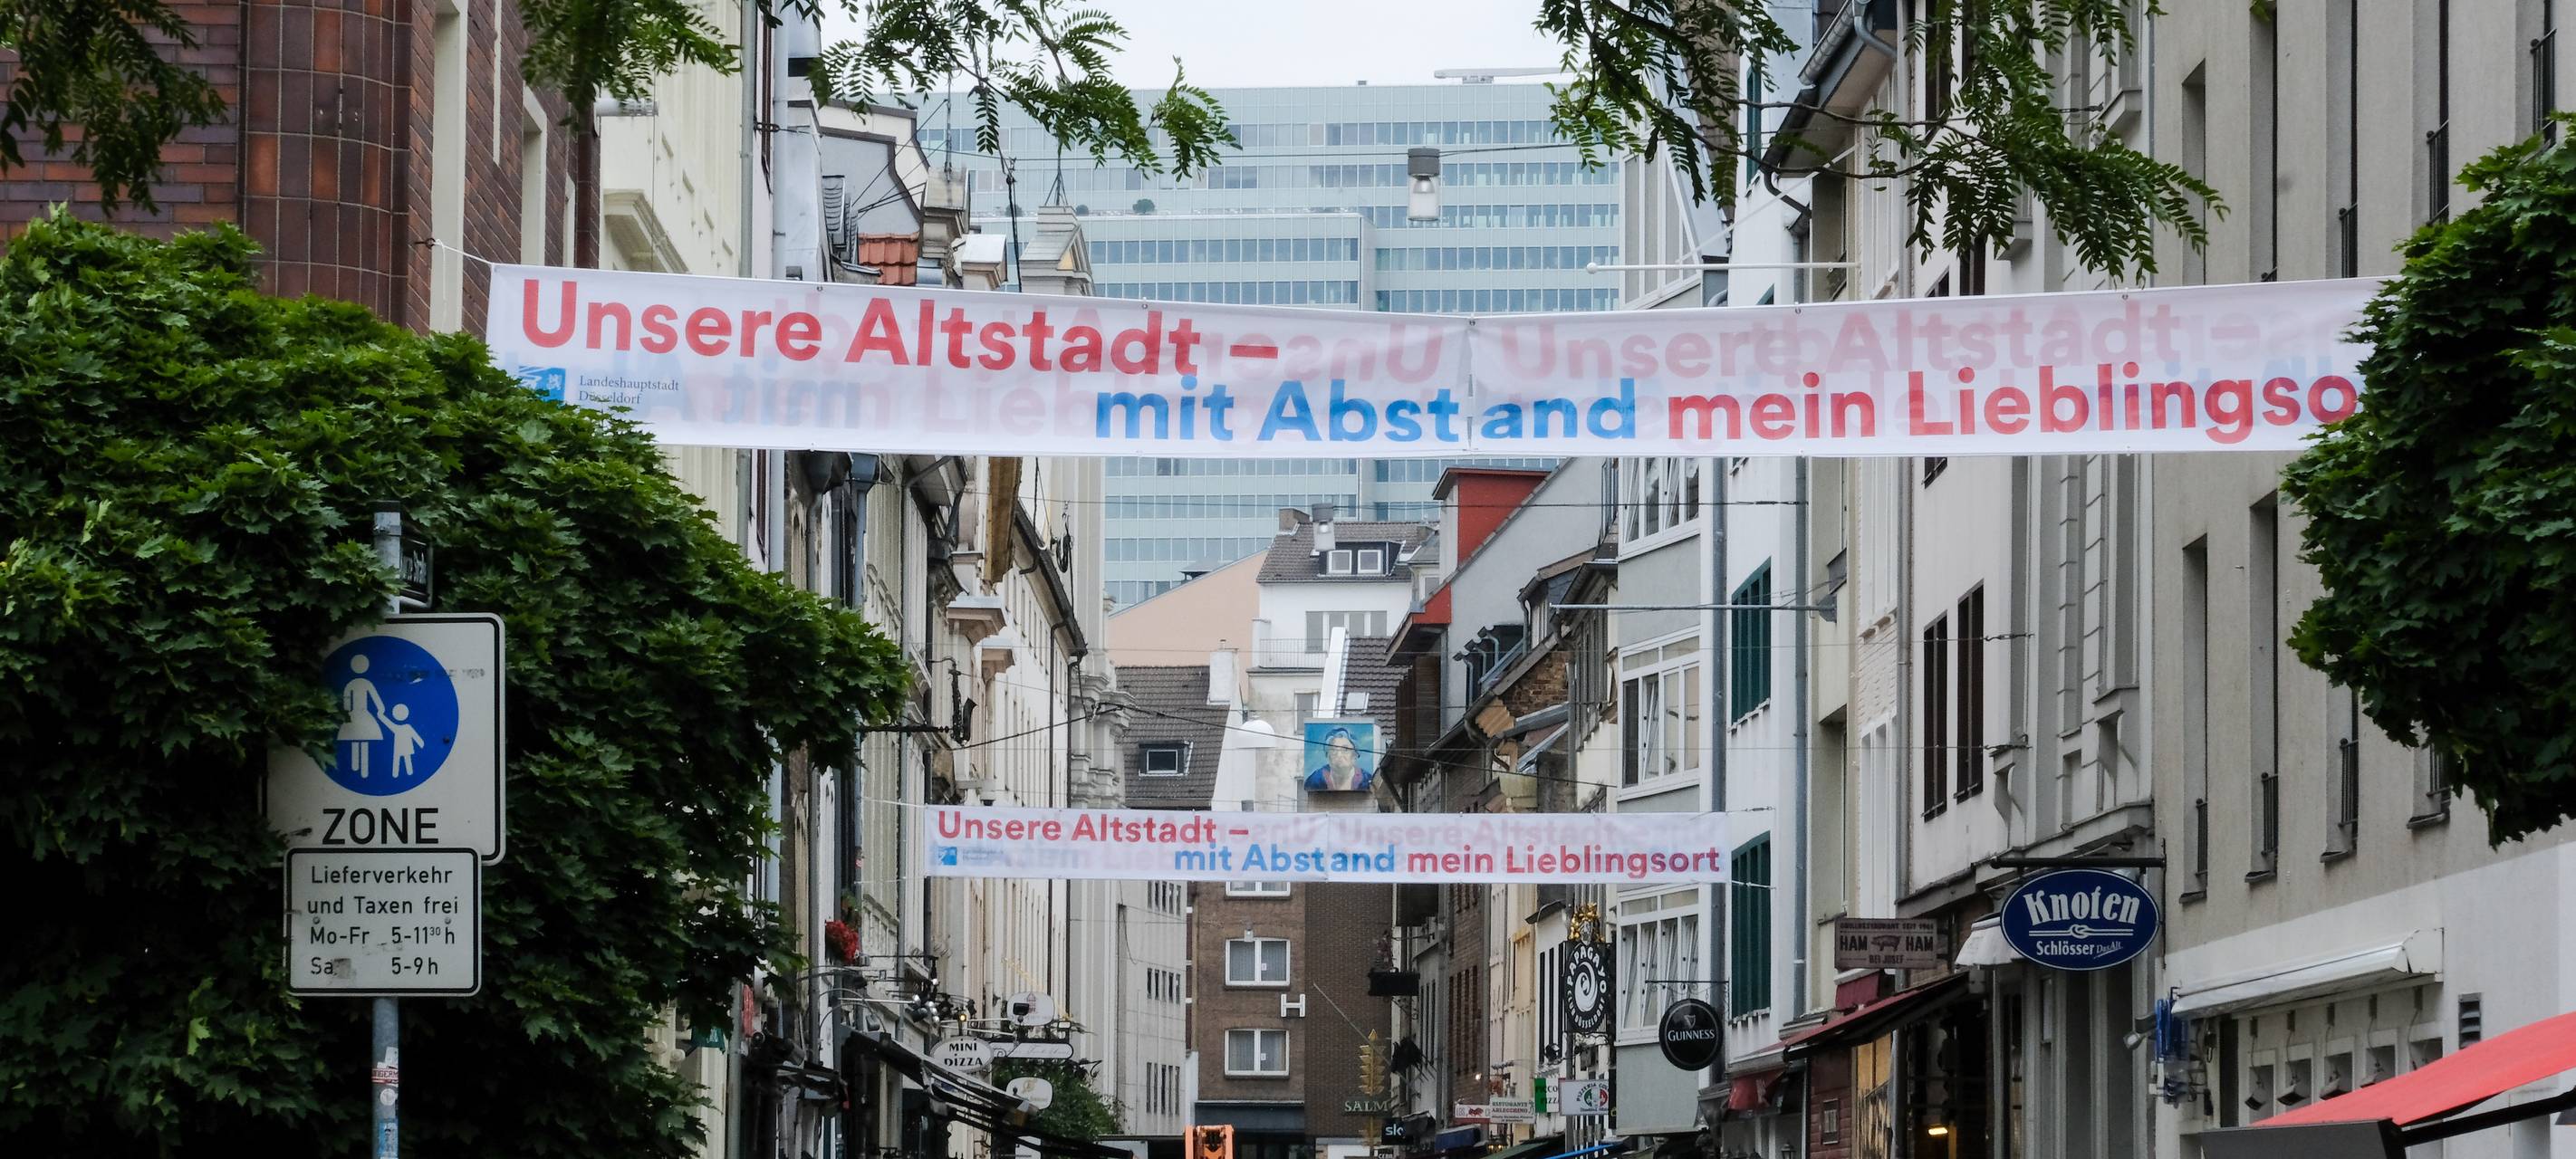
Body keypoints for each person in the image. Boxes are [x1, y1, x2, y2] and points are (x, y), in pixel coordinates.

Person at [337, 653, 388, 779]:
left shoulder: (351, 684)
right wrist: (381, 709)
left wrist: (347, 711)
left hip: (353, 714)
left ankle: (357, 767)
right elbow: (376, 699)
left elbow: (347, 701)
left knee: (356, 737)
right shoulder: (365, 683)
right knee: (362, 738)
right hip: (363, 713)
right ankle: (361, 770)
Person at [1304, 726, 1373, 792]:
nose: (1339, 755)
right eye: (1333, 750)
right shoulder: (1314, 781)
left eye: (1345, 749)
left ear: (1355, 754)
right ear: (1327, 754)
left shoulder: (1367, 781)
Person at [387, 703, 427, 779]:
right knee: (403, 759)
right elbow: (415, 736)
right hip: (404, 747)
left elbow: (415, 735)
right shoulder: (404, 727)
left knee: (402, 759)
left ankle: (397, 774)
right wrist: (421, 743)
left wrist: (420, 743)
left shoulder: (400, 727)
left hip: (401, 747)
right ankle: (401, 774)